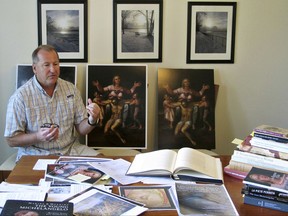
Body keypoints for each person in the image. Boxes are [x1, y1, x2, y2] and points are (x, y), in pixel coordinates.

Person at [4, 45, 102, 162]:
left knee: (105, 165)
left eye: (55, 64)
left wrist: (92, 119)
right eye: (46, 65)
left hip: (70, 150)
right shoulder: (20, 97)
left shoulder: (71, 89)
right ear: (34, 68)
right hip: (35, 154)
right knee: (46, 179)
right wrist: (37, 136)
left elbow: (81, 129)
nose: (53, 69)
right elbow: (11, 139)